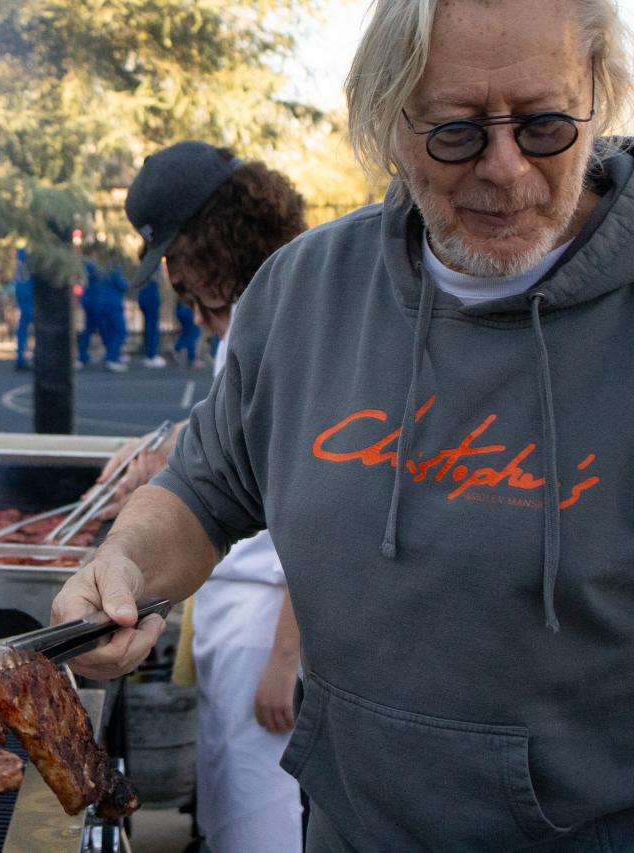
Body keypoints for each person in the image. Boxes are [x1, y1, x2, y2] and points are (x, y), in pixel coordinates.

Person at [55, 0, 634, 848]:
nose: (506, 168)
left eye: (545, 125)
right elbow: (205, 489)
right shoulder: (301, 292)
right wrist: (121, 565)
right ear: (388, 120)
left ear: (596, 96)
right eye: (457, 130)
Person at [94, 140, 308, 853]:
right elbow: (241, 437)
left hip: (269, 620)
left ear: (217, 233)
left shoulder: (289, 316)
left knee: (261, 818)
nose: (171, 272)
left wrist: (285, 657)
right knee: (224, 804)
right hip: (229, 607)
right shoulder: (249, 314)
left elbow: (321, 511)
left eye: (174, 251)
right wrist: (163, 454)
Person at [12, 247, 34, 370]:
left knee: (22, 331)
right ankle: (22, 357)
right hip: (30, 303)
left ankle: (20, 357)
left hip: (24, 304)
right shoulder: (29, 270)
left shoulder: (19, 270)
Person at [137, 277, 166, 367]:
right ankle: (151, 356)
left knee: (149, 328)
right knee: (152, 328)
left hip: (145, 297)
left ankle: (149, 355)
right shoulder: (153, 268)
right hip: (150, 298)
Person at [173, 299, 201, 368]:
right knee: (193, 333)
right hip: (188, 307)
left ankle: (177, 348)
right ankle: (192, 358)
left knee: (187, 332)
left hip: (181, 306)